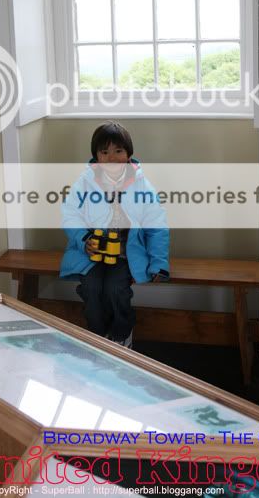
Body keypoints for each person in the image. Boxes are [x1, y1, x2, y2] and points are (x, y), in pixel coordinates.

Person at [60, 121, 170, 348]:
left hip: (125, 253)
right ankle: (97, 336)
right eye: (104, 152)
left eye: (118, 151)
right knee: (92, 288)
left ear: (129, 154)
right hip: (91, 251)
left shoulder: (142, 185)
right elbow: (70, 215)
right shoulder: (84, 183)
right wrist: (83, 239)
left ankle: (121, 332)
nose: (111, 158)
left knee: (115, 289)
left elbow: (156, 225)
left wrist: (158, 262)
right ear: (96, 157)